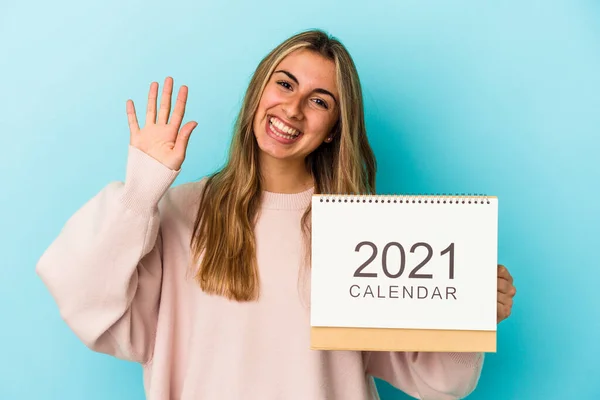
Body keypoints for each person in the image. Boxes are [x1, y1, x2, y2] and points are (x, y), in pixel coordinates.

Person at [36, 29, 516, 400]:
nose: (293, 107)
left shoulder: (366, 234)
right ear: (258, 92)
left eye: (320, 101)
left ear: (333, 130)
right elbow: (83, 298)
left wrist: (469, 314)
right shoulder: (180, 212)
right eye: (284, 83)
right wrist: (140, 192)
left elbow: (439, 381)